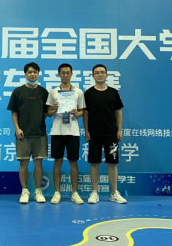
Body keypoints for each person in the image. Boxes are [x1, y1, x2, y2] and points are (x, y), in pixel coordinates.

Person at [84, 64, 127, 204]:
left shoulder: (113, 92)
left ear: (107, 75)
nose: (100, 75)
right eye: (97, 73)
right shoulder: (89, 93)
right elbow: (86, 113)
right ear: (93, 76)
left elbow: (118, 112)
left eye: (102, 72)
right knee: (94, 163)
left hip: (111, 134)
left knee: (112, 163)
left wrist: (119, 130)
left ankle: (114, 193)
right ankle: (94, 192)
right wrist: (86, 130)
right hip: (94, 134)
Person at [7, 62, 49, 204]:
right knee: (23, 163)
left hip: (39, 134)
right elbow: (14, 112)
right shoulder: (18, 91)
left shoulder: (43, 92)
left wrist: (37, 121)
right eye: (30, 72)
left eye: (35, 72)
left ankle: (38, 191)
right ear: (25, 74)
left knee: (38, 163)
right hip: (23, 134)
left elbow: (46, 113)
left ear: (38, 74)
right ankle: (25, 191)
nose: (33, 74)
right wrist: (17, 128)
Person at [46, 63, 85, 204]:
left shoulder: (78, 92)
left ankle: (74, 193)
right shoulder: (53, 92)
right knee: (58, 161)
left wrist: (76, 113)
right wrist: (55, 109)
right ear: (59, 74)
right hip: (57, 131)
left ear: (72, 74)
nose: (66, 75)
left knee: (73, 162)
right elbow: (49, 113)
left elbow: (82, 111)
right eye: (63, 73)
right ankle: (57, 192)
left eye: (68, 72)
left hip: (73, 131)